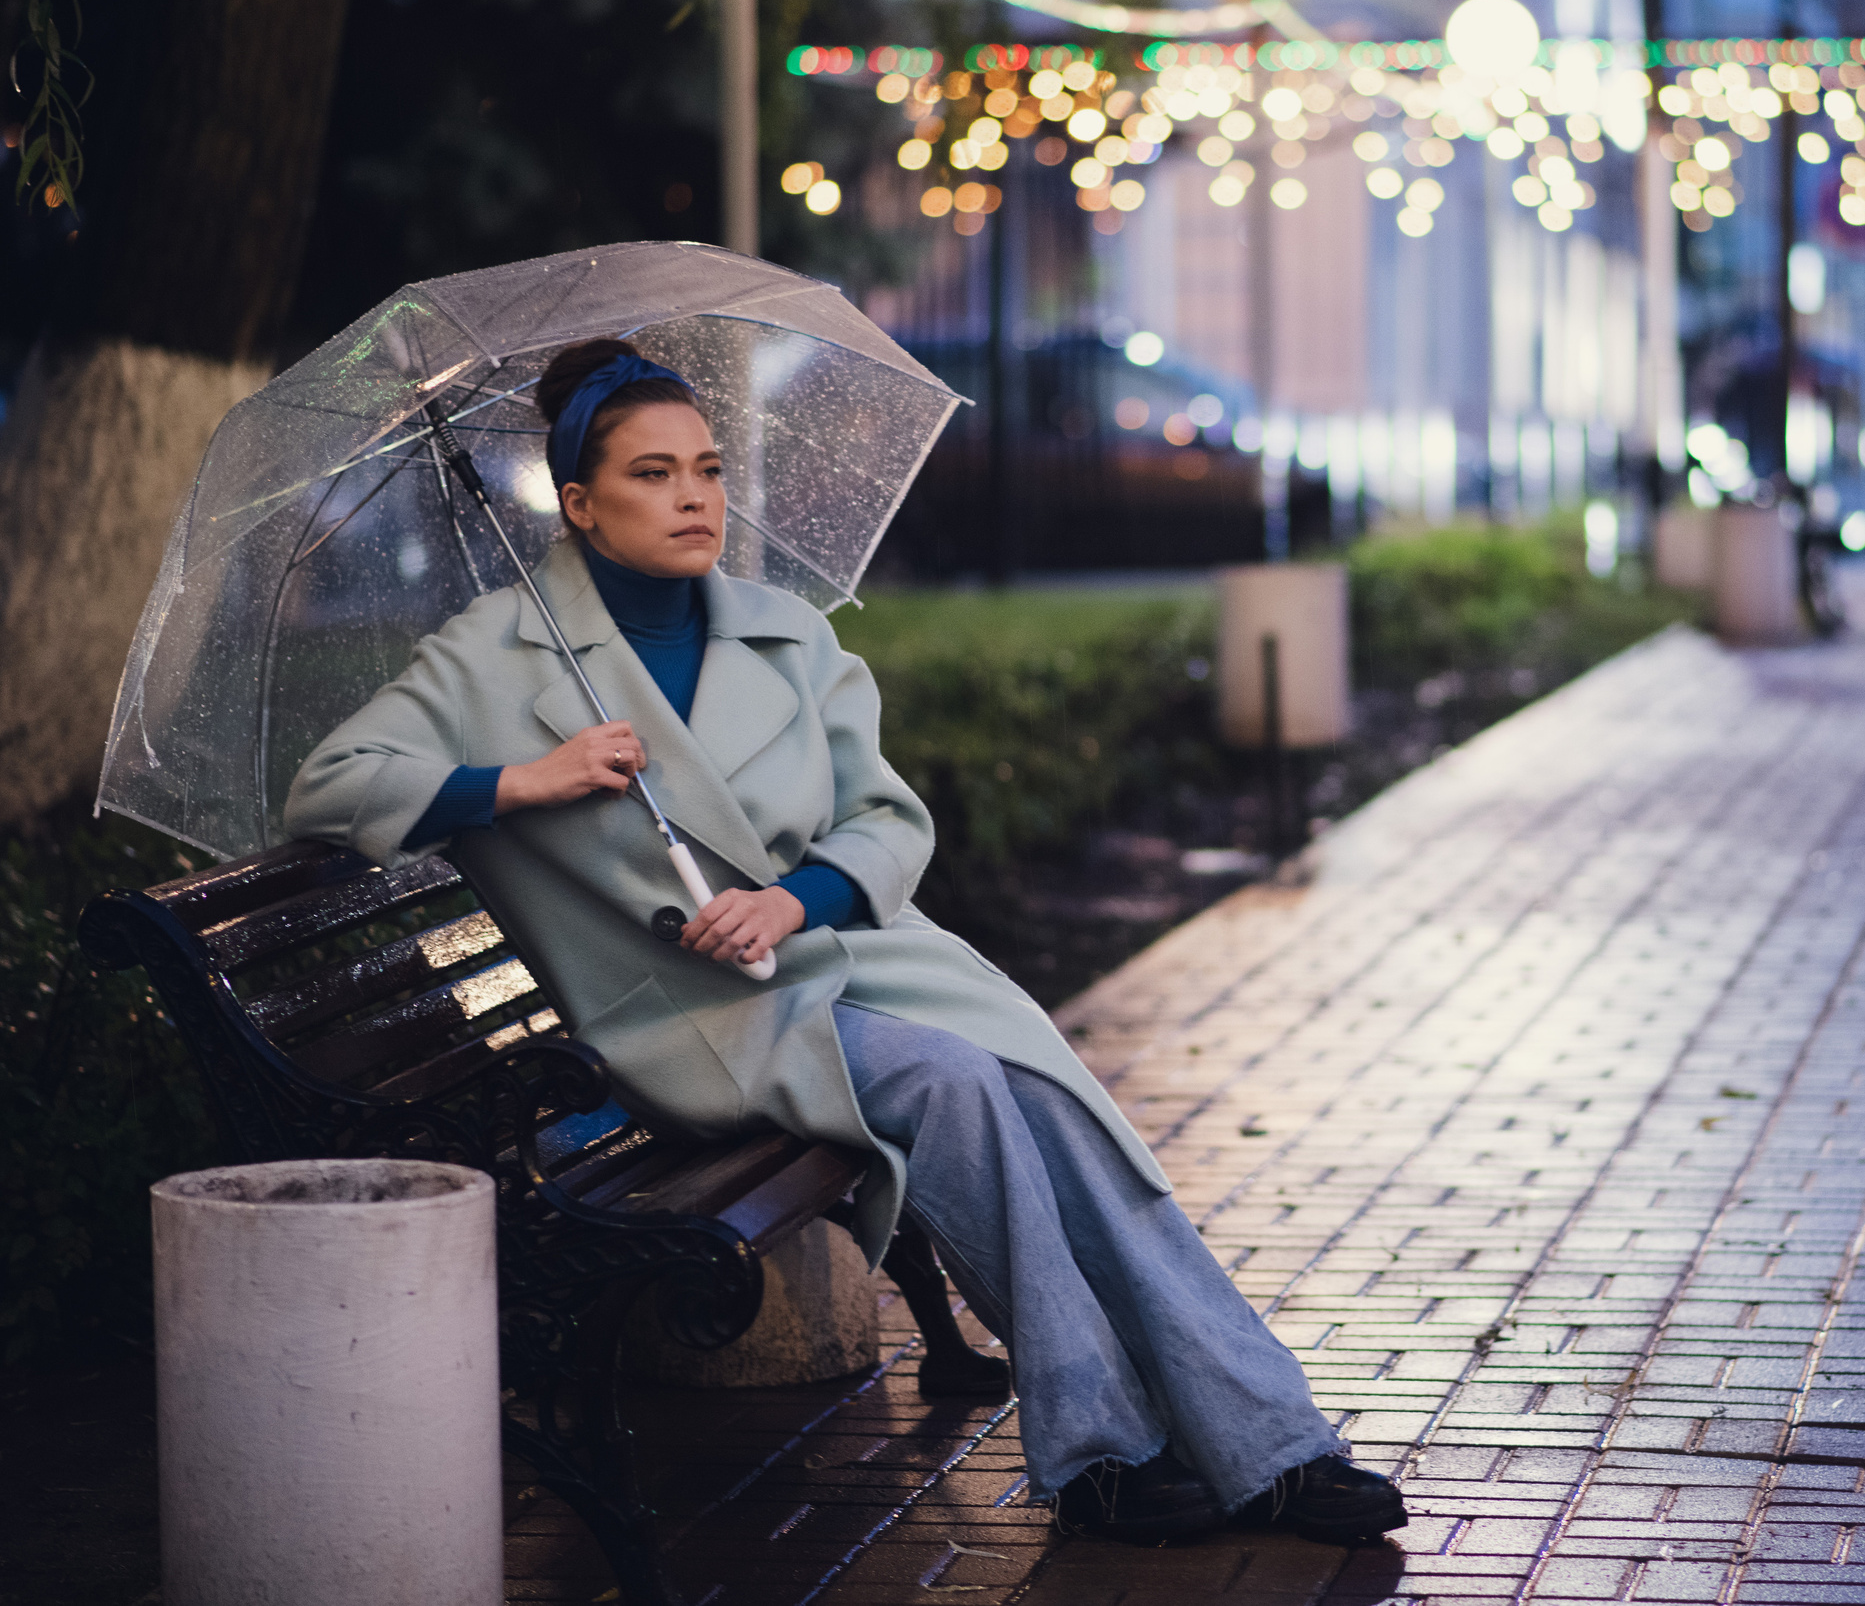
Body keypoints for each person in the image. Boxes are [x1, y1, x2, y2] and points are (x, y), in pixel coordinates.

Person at [284, 337, 1405, 1547]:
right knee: (962, 1085)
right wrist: (526, 780)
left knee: (1064, 1112)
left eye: (707, 468)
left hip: (849, 962)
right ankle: (1103, 1451)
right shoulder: (489, 654)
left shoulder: (785, 633)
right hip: (695, 1022)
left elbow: (885, 820)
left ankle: (1268, 1444)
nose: (696, 496)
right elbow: (328, 788)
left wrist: (796, 900)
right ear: (579, 504)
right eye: (654, 474)